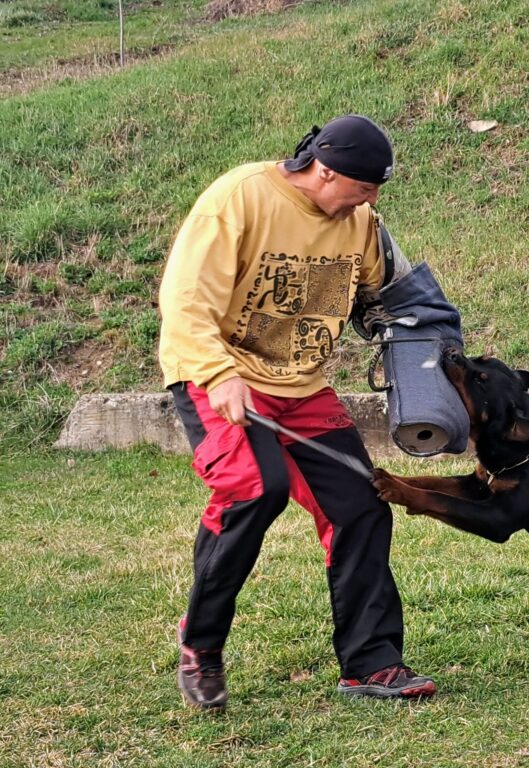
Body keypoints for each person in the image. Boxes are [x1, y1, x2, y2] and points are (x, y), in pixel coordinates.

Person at [158, 115, 437, 710]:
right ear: (325, 170)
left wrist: (428, 366)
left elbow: (394, 296)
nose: (371, 201)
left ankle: (371, 664)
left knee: (362, 504)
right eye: (363, 188)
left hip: (301, 387)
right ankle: (201, 646)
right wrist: (221, 375)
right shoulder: (241, 197)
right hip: (218, 374)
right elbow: (185, 300)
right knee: (256, 490)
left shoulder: (360, 221)